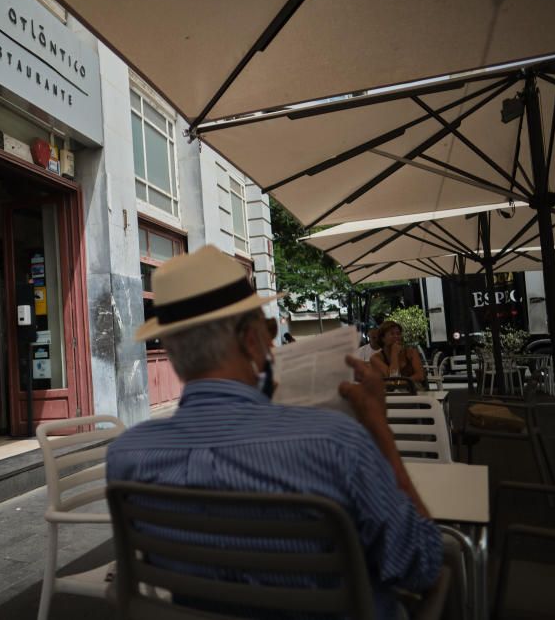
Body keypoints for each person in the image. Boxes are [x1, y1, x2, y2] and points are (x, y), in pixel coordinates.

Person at [107, 246, 443, 618]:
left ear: (170, 348)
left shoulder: (127, 456)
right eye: (268, 330)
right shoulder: (337, 443)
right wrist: (379, 429)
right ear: (251, 340)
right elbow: (421, 565)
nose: (271, 341)